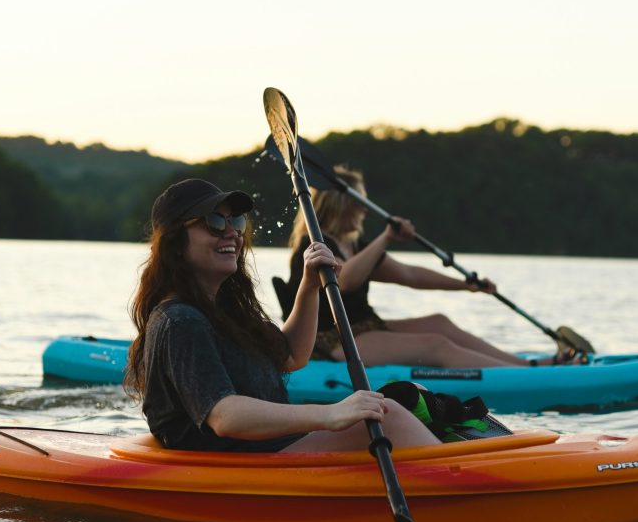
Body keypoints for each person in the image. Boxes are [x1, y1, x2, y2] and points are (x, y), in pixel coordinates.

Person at [123, 178, 439, 453]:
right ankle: (471, 484)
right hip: (237, 465)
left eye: (237, 223)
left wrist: (309, 287)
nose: (231, 233)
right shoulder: (180, 321)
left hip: (272, 449)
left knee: (413, 396)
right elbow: (225, 416)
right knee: (390, 416)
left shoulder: (224, 312)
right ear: (175, 243)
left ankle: (474, 457)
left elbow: (291, 356)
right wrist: (330, 415)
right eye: (215, 223)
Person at [287, 166, 576, 368]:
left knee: (439, 322)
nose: (364, 209)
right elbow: (344, 280)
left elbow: (409, 274)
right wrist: (387, 237)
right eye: (359, 202)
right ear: (340, 205)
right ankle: (526, 375)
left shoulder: (356, 244)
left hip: (365, 327)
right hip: (332, 341)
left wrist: (466, 286)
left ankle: (530, 366)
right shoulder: (312, 246)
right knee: (435, 344)